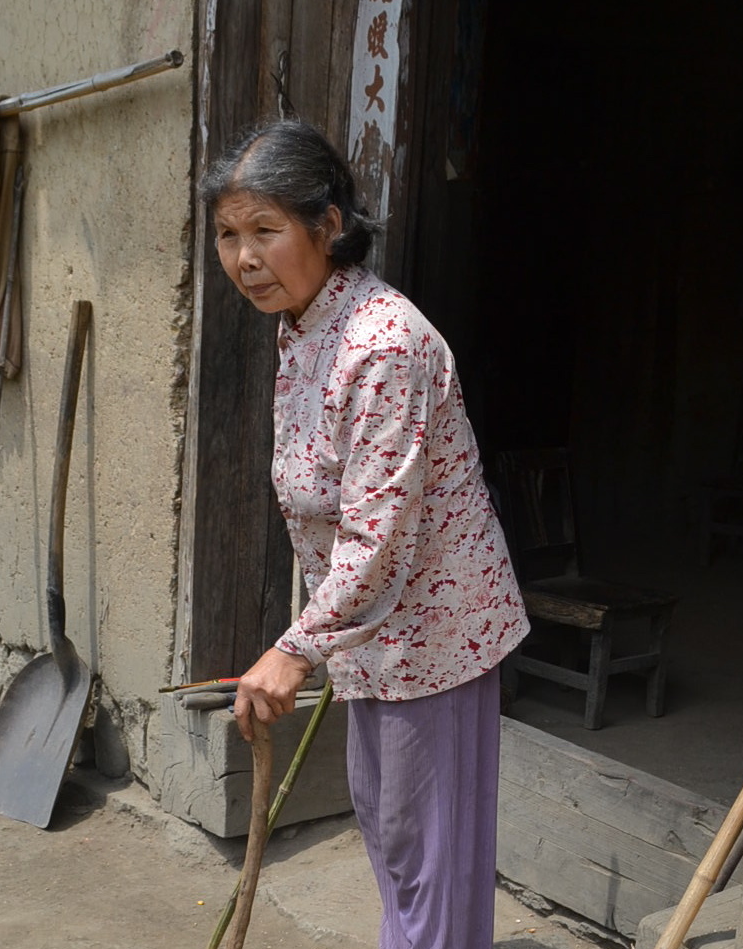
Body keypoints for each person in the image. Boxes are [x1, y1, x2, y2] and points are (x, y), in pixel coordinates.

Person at [198, 118, 530, 949]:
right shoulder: (305, 325)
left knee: (430, 867)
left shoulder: (382, 343)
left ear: (329, 225)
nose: (244, 258)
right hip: (373, 641)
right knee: (396, 846)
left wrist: (296, 645)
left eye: (266, 231)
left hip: (434, 637)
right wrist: (321, 639)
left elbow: (376, 533)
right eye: (229, 235)